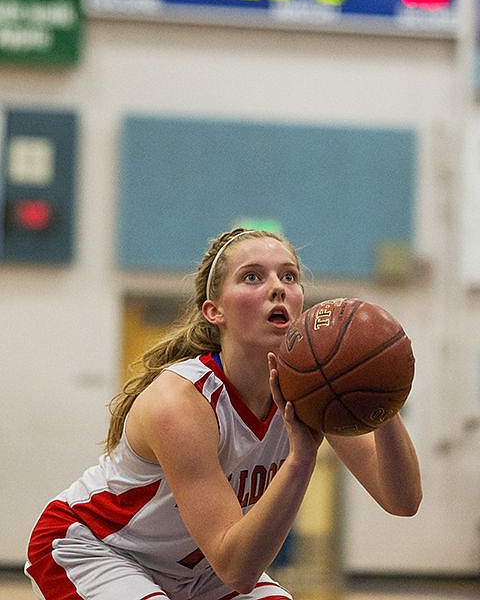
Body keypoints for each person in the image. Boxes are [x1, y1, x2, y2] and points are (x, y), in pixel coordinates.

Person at [25, 228, 422, 600]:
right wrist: (301, 459)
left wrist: (377, 392)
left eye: (289, 276)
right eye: (253, 277)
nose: (277, 289)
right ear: (214, 311)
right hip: (101, 548)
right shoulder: (181, 401)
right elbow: (238, 569)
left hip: (202, 567)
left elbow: (401, 500)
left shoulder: (312, 391)